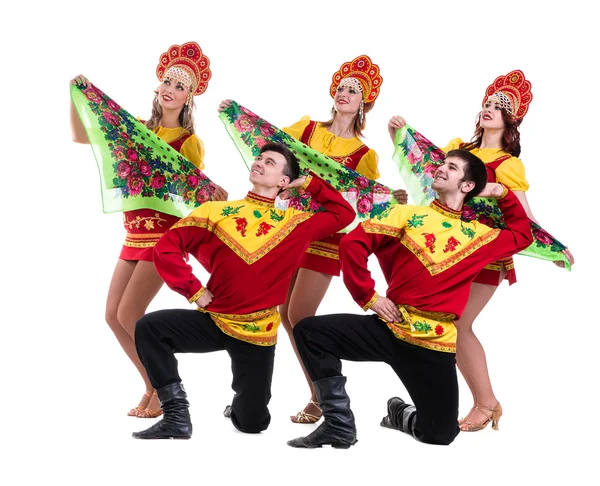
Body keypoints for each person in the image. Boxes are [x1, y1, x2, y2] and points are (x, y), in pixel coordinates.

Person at [287, 149, 533, 448]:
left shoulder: (479, 236)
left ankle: (401, 414)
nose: (441, 169)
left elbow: (523, 235)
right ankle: (338, 424)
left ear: (467, 186)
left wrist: (502, 191)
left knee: (441, 435)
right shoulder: (407, 215)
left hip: (435, 345)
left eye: (452, 168)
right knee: (309, 332)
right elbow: (353, 242)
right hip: (391, 328)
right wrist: (369, 297)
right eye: (442, 164)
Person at [387, 70, 574, 431]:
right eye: (486, 104)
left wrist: (553, 248)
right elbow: (435, 178)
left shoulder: (509, 165)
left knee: (457, 323)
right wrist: (400, 136)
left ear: (511, 120)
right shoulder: (461, 148)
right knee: (444, 320)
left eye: (498, 107)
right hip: (449, 246)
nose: (488, 109)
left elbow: (524, 215)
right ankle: (473, 401)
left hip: (487, 252)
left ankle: (485, 403)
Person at [132, 143, 355, 439]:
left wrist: (310, 183)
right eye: (259, 158)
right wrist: (194, 290)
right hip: (213, 321)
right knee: (149, 328)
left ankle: (239, 408)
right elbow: (167, 246)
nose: (260, 162)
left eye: (271, 162)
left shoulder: (296, 223)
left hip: (257, 333)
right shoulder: (216, 212)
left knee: (252, 423)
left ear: (283, 182)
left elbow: (344, 213)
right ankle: (176, 416)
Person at [70, 42, 227, 418]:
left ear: (189, 98)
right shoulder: (136, 131)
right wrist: (76, 95)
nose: (171, 89)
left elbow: (192, 189)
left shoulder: (189, 143)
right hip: (133, 233)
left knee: (130, 314)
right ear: (158, 88)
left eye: (181, 85)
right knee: (112, 315)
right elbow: (81, 136)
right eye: (167, 82)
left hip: (163, 237)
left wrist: (214, 193)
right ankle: (154, 383)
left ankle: (163, 389)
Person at [280, 55, 406, 424]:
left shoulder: (364, 155)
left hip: (328, 237)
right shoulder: (304, 129)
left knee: (300, 316)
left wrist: (390, 198)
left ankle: (328, 396)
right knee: (285, 316)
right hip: (291, 229)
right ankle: (318, 393)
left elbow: (365, 196)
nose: (345, 93)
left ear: (364, 102)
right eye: (341, 87)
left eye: (354, 90)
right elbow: (272, 155)